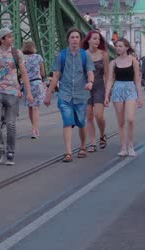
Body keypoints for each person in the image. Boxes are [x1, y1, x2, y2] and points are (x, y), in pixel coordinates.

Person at [44, 28, 95, 162]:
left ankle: (83, 147)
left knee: (81, 123)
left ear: (80, 39)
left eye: (77, 37)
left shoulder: (85, 55)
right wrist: (49, 94)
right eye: (72, 37)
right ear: (68, 39)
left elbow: (90, 71)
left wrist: (90, 82)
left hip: (81, 94)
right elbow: (55, 77)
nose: (74, 40)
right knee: (67, 121)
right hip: (65, 94)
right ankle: (68, 152)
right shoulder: (61, 55)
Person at [0, 27, 34, 165]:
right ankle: (0, 148)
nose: (12, 39)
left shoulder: (16, 53)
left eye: (12, 36)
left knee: (11, 124)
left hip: (13, 93)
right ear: (2, 39)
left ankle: (10, 151)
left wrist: (28, 92)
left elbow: (24, 73)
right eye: (9, 37)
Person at [104, 38, 143, 156]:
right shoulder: (113, 63)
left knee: (130, 119)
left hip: (130, 88)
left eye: (120, 46)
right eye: (116, 46)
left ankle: (131, 145)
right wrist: (107, 95)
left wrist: (140, 96)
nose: (117, 48)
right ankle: (123, 147)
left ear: (126, 47)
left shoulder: (133, 61)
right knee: (121, 121)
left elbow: (137, 79)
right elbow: (110, 80)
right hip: (117, 89)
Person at [82, 30, 110, 153]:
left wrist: (108, 93)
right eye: (94, 38)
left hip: (99, 86)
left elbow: (108, 75)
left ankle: (102, 134)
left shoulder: (103, 54)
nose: (97, 41)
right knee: (89, 116)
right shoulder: (82, 54)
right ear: (88, 40)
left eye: (98, 39)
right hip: (86, 87)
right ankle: (93, 143)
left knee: (99, 115)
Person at [21, 41, 46, 139]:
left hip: (27, 85)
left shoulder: (22, 58)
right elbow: (43, 73)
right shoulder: (38, 57)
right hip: (37, 83)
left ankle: (34, 128)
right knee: (36, 107)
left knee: (30, 108)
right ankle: (35, 130)